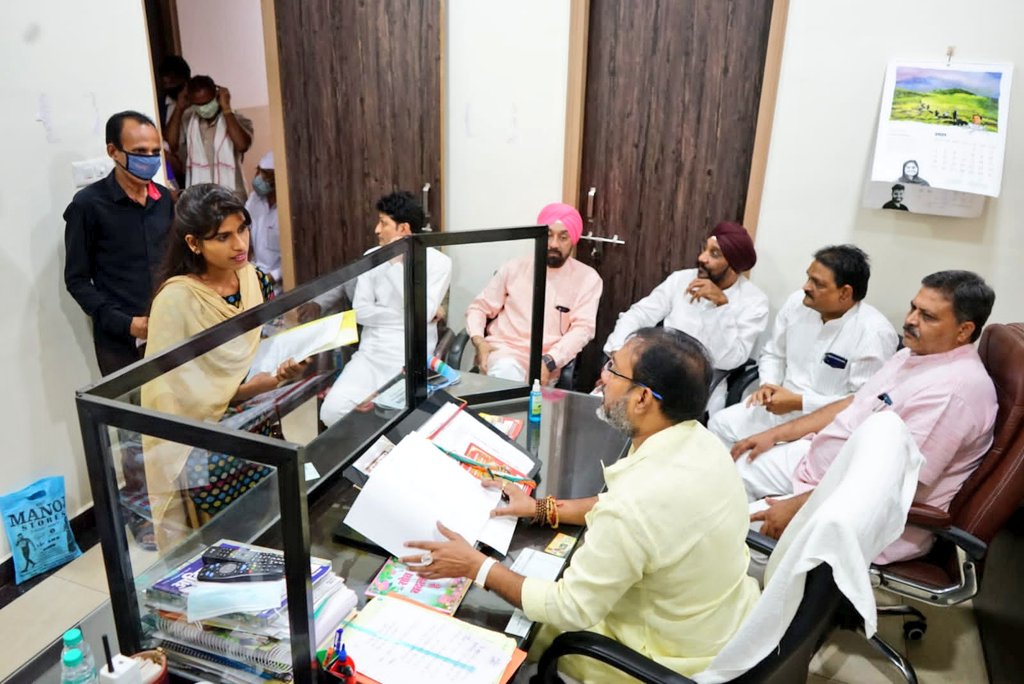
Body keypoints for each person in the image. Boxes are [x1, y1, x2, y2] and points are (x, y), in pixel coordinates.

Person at [401, 328, 759, 681]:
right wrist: (541, 509)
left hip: (661, 658)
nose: (602, 378)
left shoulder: (638, 503)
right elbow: (618, 505)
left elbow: (569, 607)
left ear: (643, 399)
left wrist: (476, 567)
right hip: (720, 627)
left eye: (613, 369)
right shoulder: (702, 442)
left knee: (497, 633)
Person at [736, 271, 997, 564]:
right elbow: (855, 403)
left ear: (964, 331)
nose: (910, 319)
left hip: (857, 512)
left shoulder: (953, 393)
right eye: (913, 307)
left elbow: (887, 483)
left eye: (928, 316)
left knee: (733, 532)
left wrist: (795, 508)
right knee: (733, 471)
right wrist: (777, 434)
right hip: (820, 468)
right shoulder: (915, 354)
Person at [142, 184, 305, 549]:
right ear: (194, 243)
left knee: (271, 517)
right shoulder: (176, 300)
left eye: (243, 230)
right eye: (223, 236)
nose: (240, 245)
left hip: (259, 422)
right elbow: (175, 391)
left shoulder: (253, 278)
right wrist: (255, 386)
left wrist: (286, 364)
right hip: (209, 443)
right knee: (230, 539)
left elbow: (264, 343)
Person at [709, 245, 899, 461]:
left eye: (817, 283)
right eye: (809, 278)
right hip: (777, 407)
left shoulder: (875, 334)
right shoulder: (796, 303)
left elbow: (861, 403)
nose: (805, 287)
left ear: (845, 293)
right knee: (719, 425)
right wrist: (768, 385)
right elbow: (773, 353)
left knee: (753, 463)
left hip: (823, 426)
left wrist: (799, 402)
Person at [602, 221, 769, 408]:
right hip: (658, 367)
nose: (702, 258)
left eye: (714, 254)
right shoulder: (681, 279)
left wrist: (721, 306)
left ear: (733, 265)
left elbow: (731, 359)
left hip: (703, 383)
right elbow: (638, 314)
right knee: (610, 401)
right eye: (704, 249)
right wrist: (617, 354)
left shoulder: (754, 301)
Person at [319, 192, 452, 426]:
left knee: (401, 420)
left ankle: (381, 452)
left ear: (404, 229)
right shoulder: (371, 257)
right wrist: (411, 317)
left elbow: (421, 313)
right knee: (331, 411)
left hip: (410, 359)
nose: (376, 230)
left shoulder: (439, 263)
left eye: (383, 223)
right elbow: (361, 311)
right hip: (370, 355)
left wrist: (394, 263)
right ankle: (370, 452)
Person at [64, 110, 173, 375]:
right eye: (139, 151)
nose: (148, 159)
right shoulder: (88, 205)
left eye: (154, 151)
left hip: (171, 328)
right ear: (113, 151)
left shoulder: (166, 200)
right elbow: (77, 280)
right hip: (120, 342)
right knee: (134, 413)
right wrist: (126, 324)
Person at [466, 203, 602, 385]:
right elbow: (479, 307)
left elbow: (583, 329)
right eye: (548, 235)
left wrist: (550, 360)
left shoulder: (588, 279)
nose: (554, 244)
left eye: (563, 237)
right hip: (503, 352)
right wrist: (479, 341)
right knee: (506, 373)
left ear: (574, 239)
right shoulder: (514, 267)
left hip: (545, 362)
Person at [166, 75, 253, 197]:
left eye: (207, 103)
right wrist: (179, 108)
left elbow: (242, 146)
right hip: (201, 196)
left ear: (217, 96)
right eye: (198, 105)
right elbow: (172, 144)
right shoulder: (189, 121)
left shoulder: (235, 119)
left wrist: (227, 109)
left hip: (232, 193)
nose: (204, 108)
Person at [245, 151, 281, 288]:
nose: (259, 178)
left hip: (277, 284)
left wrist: (272, 277)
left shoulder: (287, 208)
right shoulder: (254, 199)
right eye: (259, 172)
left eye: (266, 175)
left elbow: (294, 257)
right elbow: (245, 230)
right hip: (254, 274)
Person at [156, 55, 191, 184]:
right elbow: (169, 143)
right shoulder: (161, 106)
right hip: (176, 173)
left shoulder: (200, 102)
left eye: (173, 82)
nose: (169, 87)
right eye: (166, 83)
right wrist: (179, 108)